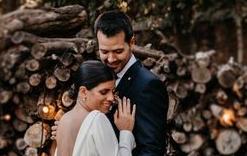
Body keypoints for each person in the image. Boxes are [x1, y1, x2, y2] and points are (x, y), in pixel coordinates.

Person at [94, 10, 168, 156]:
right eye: (104, 51)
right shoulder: (98, 77)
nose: (110, 59)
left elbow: (151, 151)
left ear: (132, 43)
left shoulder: (149, 86)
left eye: (118, 51)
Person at [55, 60, 136, 156]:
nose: (111, 98)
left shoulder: (63, 120)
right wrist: (125, 132)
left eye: (112, 91)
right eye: (104, 92)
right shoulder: (96, 119)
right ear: (83, 91)